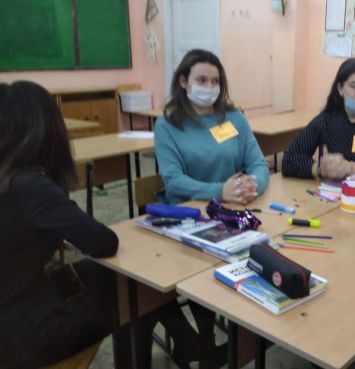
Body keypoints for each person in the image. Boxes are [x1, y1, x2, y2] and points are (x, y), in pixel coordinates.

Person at [0, 81, 208, 369]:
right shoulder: (30, 187)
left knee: (125, 280)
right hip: (19, 336)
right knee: (130, 293)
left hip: (16, 305)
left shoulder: (10, 177)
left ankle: (189, 344)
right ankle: (190, 345)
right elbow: (103, 242)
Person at [155, 49, 269, 205]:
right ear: (183, 81)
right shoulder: (166, 125)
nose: (209, 86)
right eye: (201, 80)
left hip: (234, 204)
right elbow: (173, 180)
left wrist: (253, 186)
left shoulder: (235, 118)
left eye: (215, 81)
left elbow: (258, 164)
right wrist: (220, 191)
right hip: (188, 209)